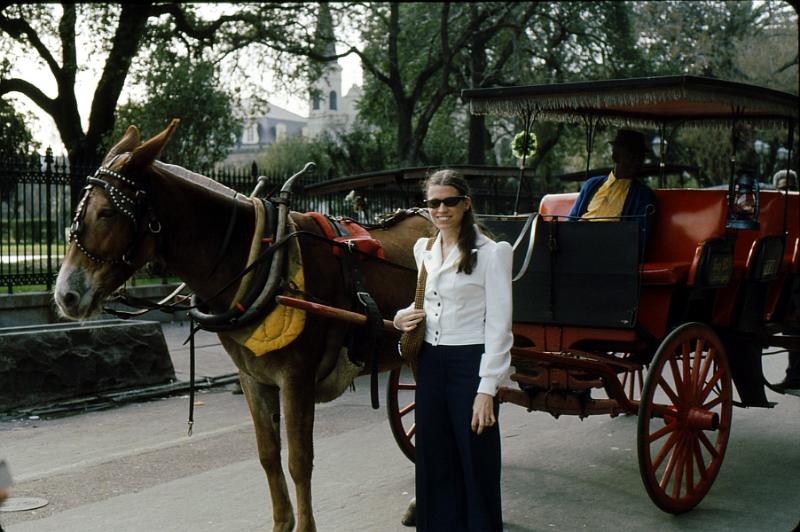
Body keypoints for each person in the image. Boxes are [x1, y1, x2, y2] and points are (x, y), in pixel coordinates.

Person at [393, 169, 513, 531]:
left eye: (448, 201)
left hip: (469, 363)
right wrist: (401, 318)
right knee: (434, 458)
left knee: (476, 458)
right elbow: (427, 304)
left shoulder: (492, 254)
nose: (441, 209)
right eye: (433, 203)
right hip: (431, 363)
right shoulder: (424, 249)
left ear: (466, 204)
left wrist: (486, 390)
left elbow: (499, 325)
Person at [568, 129, 657, 250]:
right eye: (630, 156)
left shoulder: (643, 195)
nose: (636, 162)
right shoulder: (591, 185)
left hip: (610, 252)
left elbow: (638, 240)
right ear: (615, 155)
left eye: (640, 157)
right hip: (576, 245)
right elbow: (569, 224)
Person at [773, 169, 800, 392]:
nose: (787, 192)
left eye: (790, 188)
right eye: (783, 189)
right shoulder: (775, 211)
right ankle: (794, 375)